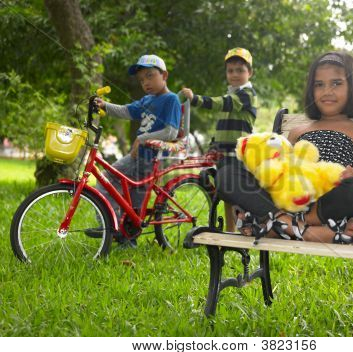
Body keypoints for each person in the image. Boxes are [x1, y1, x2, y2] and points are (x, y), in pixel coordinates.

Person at [216, 51, 353, 244]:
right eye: (319, 85)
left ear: (352, 87)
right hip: (286, 202)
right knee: (227, 173)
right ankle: (306, 229)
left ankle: (279, 226)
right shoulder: (297, 131)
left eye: (336, 83)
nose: (327, 91)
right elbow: (281, 170)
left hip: (326, 207)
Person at [86, 54, 182, 247]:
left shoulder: (170, 99)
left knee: (112, 183)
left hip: (152, 157)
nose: (145, 82)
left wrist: (142, 138)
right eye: (141, 80)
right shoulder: (147, 100)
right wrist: (104, 105)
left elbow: (171, 131)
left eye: (150, 76)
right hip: (138, 156)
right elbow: (125, 111)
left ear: (164, 75)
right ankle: (118, 230)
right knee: (119, 190)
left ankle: (113, 228)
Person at [180, 47, 257, 231]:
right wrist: (213, 146)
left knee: (237, 193)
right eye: (230, 70)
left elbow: (222, 102)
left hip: (238, 154)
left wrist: (197, 99)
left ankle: (245, 229)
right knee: (225, 194)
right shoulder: (232, 94)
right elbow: (223, 128)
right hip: (224, 153)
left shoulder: (247, 95)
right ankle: (230, 233)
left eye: (240, 70)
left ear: (250, 73)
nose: (235, 74)